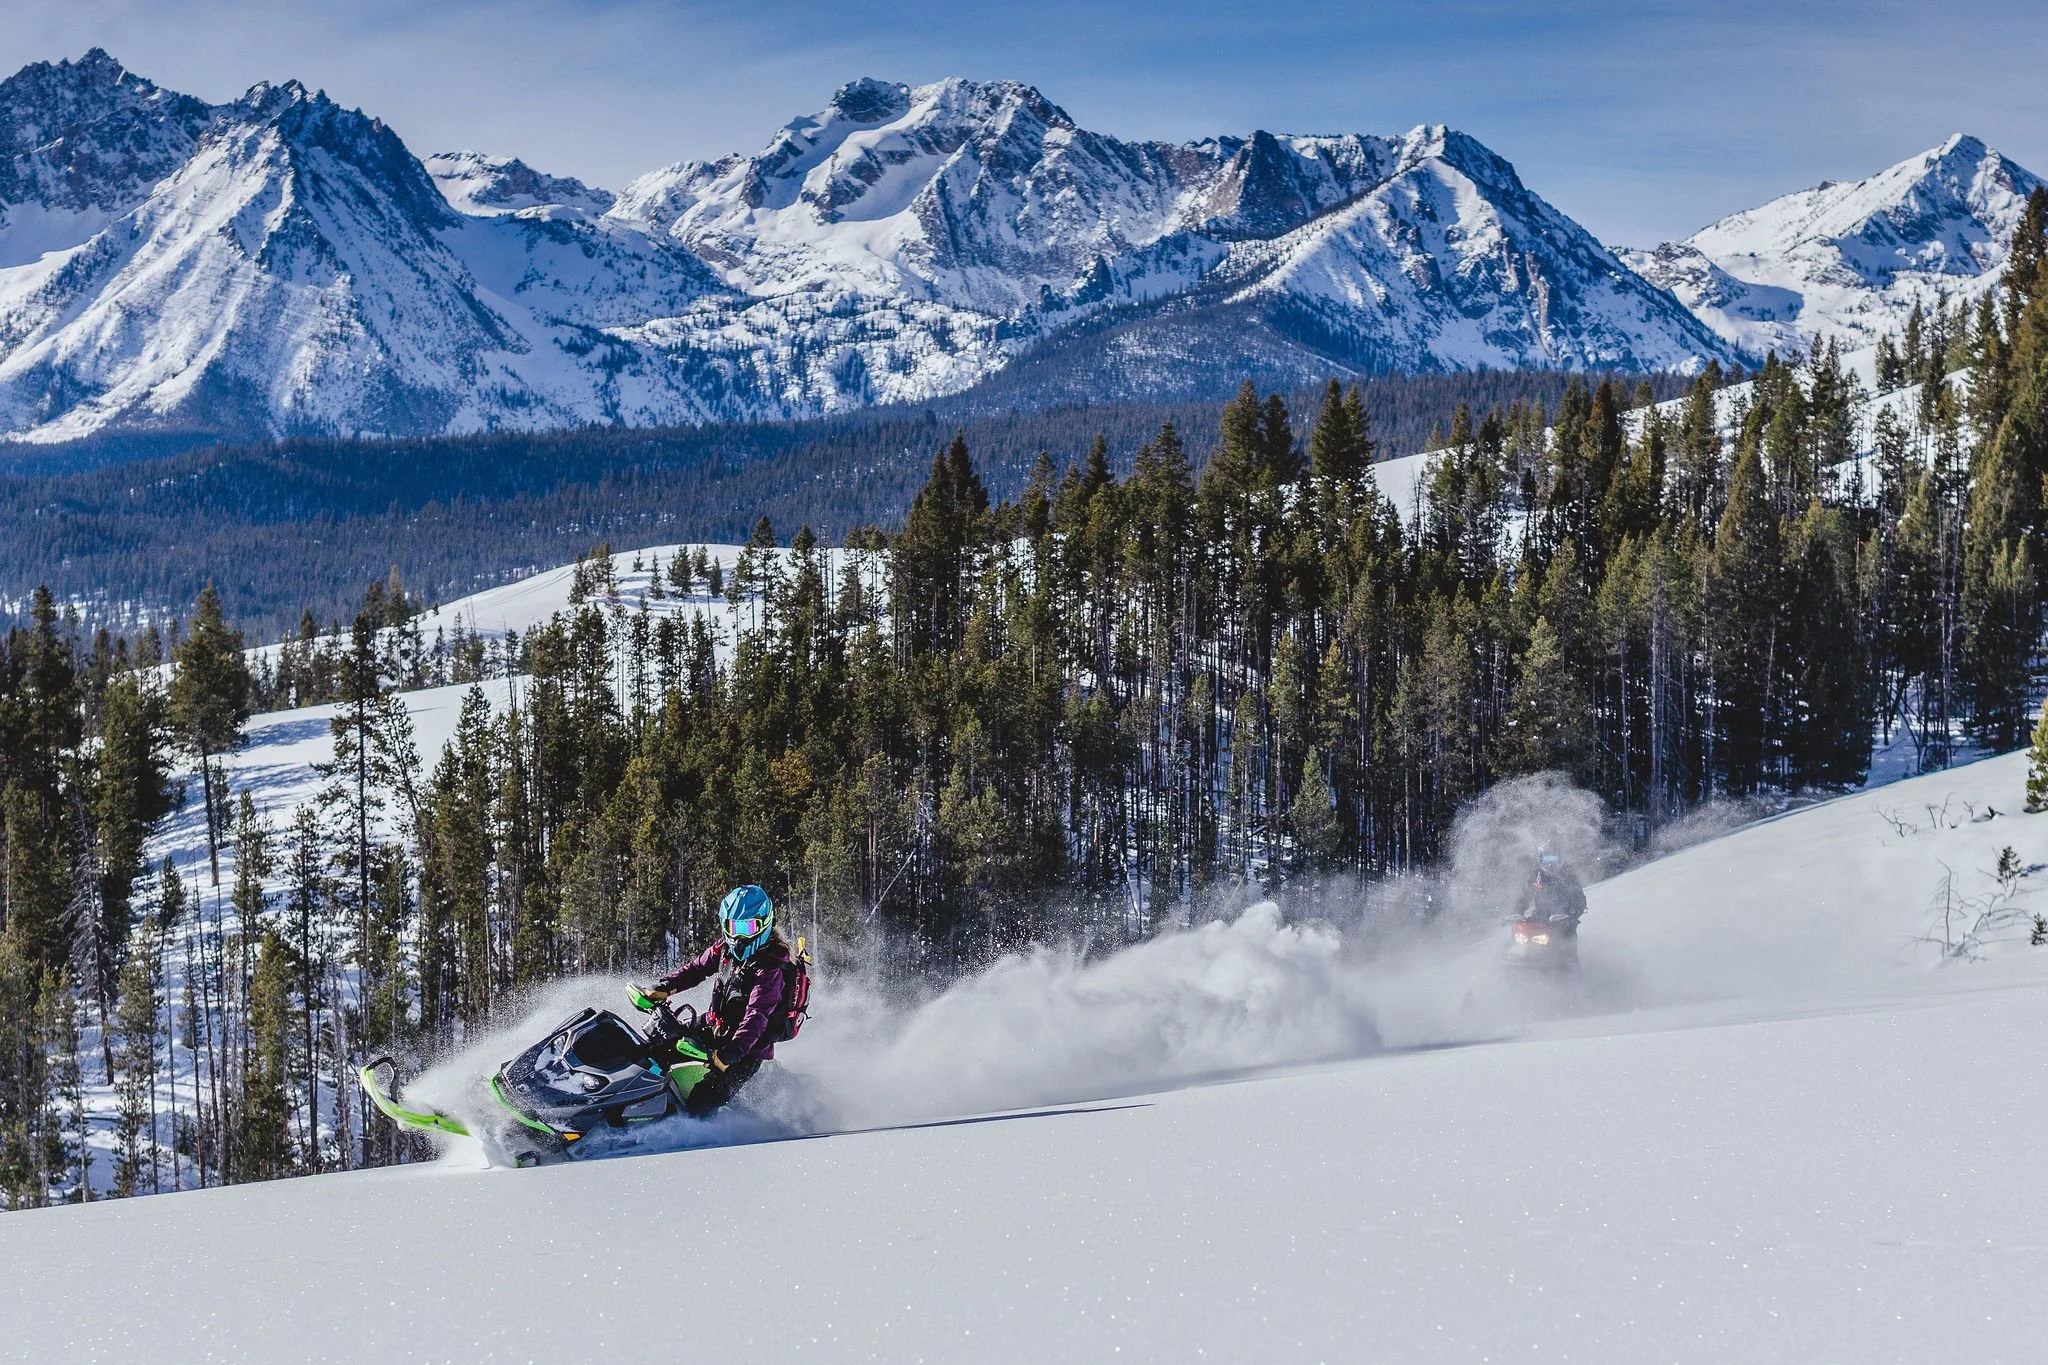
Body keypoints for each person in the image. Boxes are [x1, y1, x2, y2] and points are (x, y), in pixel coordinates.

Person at [633, 885, 797, 1118]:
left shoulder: (771, 966)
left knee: (701, 1102)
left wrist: (732, 1053)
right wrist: (665, 988)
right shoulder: (726, 948)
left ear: (764, 924)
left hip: (746, 1050)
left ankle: (690, 1139)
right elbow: (698, 968)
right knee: (656, 1046)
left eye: (747, 927)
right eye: (732, 927)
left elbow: (757, 1015)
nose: (738, 936)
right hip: (715, 1027)